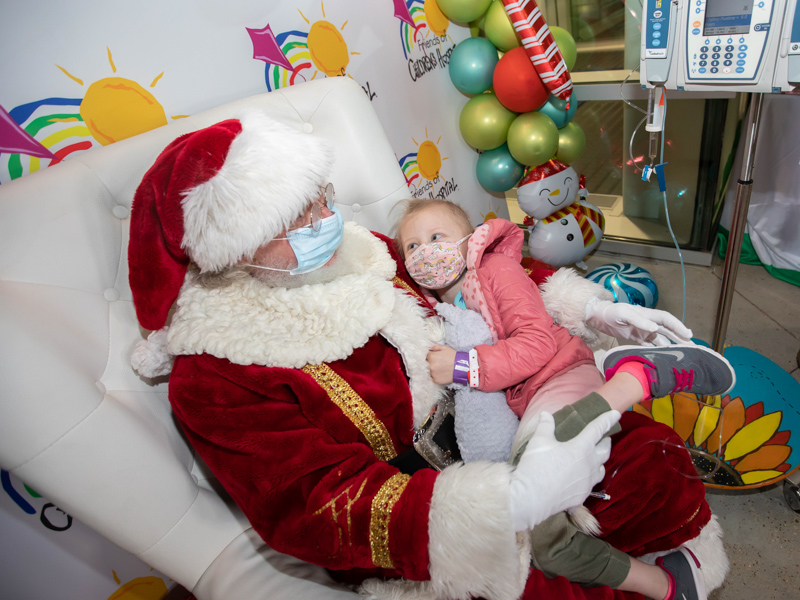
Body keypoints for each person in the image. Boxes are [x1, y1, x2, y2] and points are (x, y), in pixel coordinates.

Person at [127, 112, 727, 600]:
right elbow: (311, 506)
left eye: (320, 197)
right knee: (549, 580)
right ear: (233, 250)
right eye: (294, 217)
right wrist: (505, 504)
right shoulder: (216, 373)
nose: (324, 221)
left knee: (646, 460)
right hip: (422, 505)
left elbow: (478, 271)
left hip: (496, 409)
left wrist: (589, 306)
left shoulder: (368, 251)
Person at [394, 198, 734, 600]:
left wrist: (465, 367)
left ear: (470, 241)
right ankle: (671, 587)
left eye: (437, 237)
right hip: (529, 399)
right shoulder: (445, 306)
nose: (425, 251)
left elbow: (536, 343)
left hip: (560, 374)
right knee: (548, 544)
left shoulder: (494, 270)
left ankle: (636, 375)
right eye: (413, 246)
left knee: (541, 467)